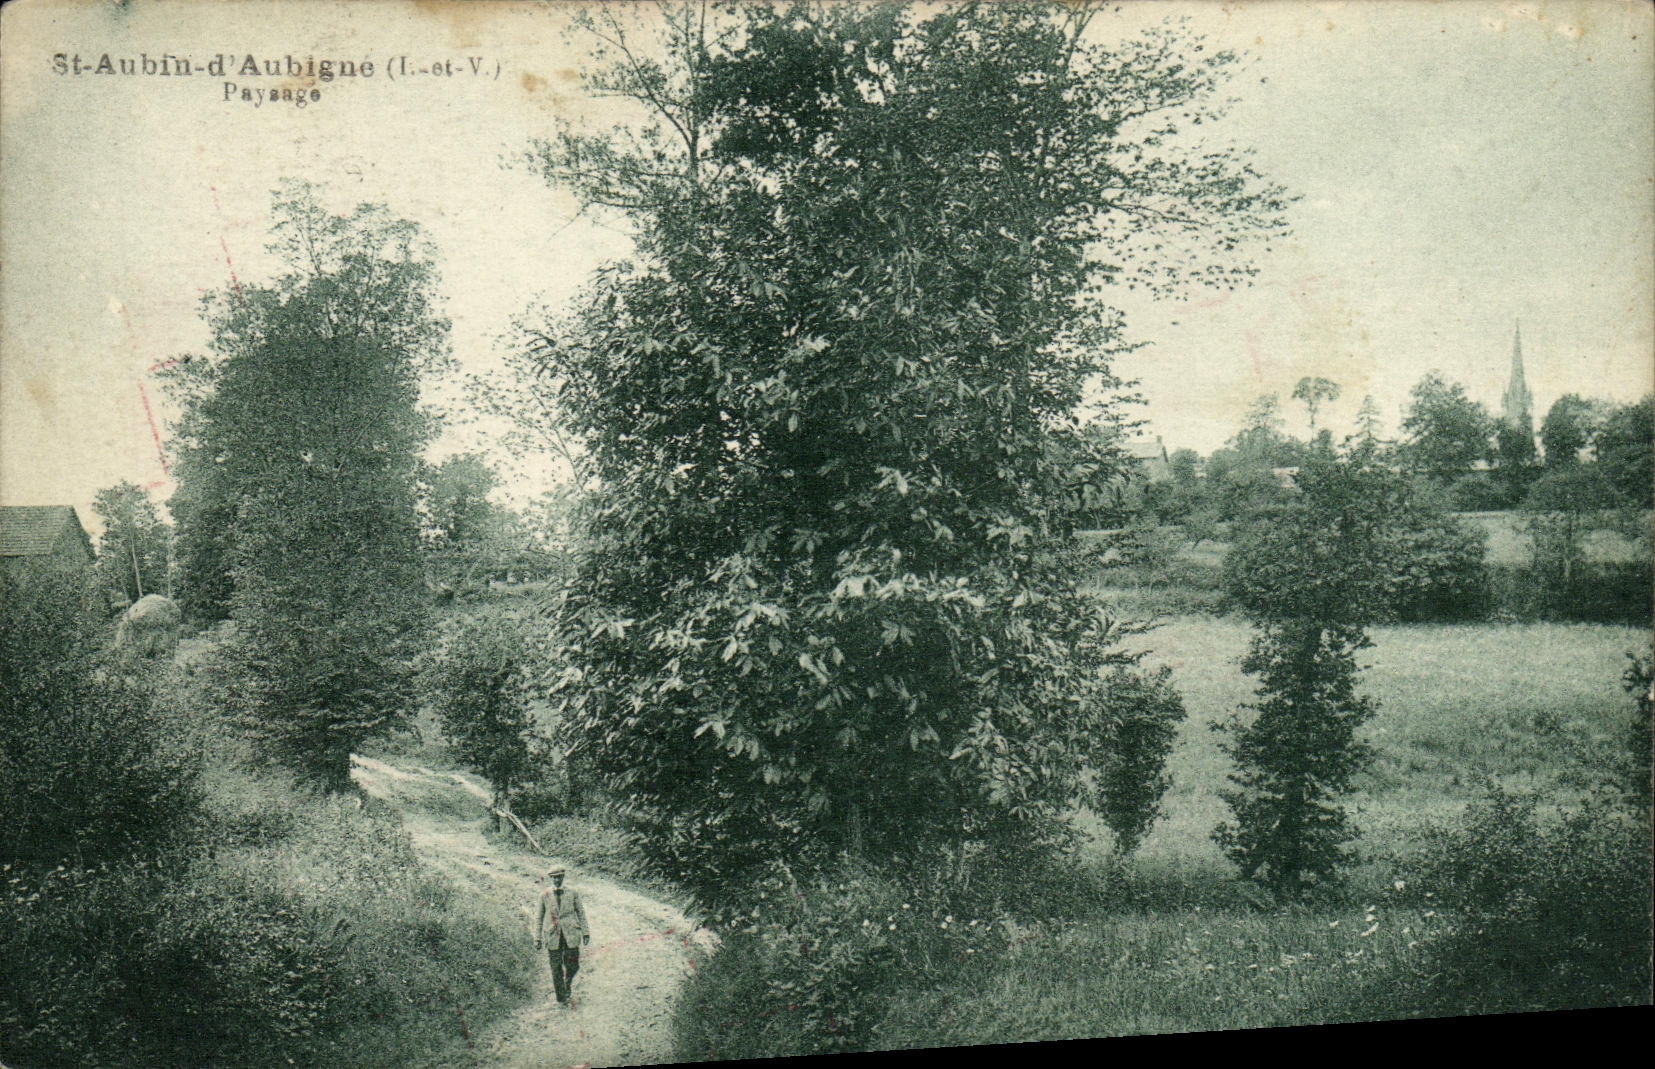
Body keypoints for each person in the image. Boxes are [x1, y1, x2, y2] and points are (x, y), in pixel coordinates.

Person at [534, 866, 590, 1007]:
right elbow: (539, 918)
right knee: (555, 967)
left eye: (559, 877)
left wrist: (585, 932)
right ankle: (561, 997)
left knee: (573, 964)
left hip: (571, 933)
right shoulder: (544, 895)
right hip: (553, 935)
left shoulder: (573, 893)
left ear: (563, 877)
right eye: (554, 877)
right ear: (551, 878)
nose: (557, 880)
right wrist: (538, 938)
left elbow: (581, 913)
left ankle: (568, 983)